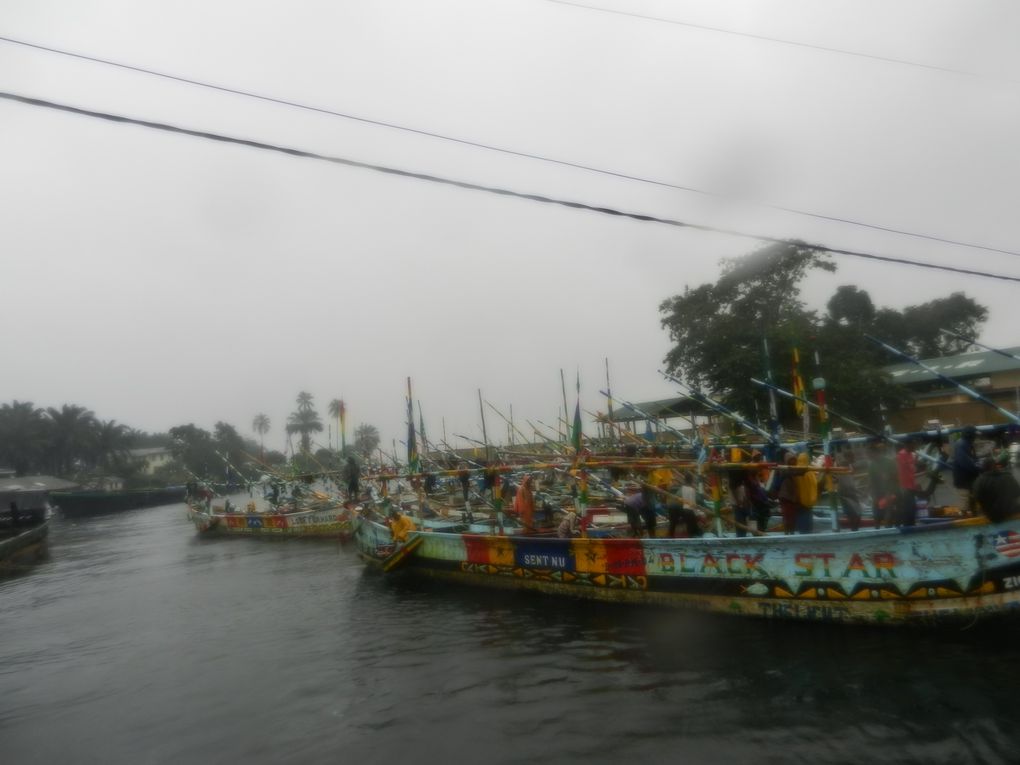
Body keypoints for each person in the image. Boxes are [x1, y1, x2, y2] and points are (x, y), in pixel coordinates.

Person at [972, 451, 1020, 523]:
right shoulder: (1008, 476)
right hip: (1011, 511)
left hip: (992, 515)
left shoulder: (979, 481)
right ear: (996, 465)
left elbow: (977, 497)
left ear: (983, 468)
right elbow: (1017, 493)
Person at [867, 442, 898, 528]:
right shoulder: (872, 465)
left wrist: (890, 493)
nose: (868, 455)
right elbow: (871, 481)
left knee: (888, 517)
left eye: (869, 453)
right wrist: (871, 494)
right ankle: (877, 535)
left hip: (888, 493)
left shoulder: (889, 462)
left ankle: (889, 532)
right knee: (876, 518)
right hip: (877, 494)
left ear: (875, 452)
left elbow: (895, 479)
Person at [952, 426, 981, 516]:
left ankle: (974, 513)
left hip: (969, 477)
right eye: (974, 436)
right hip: (963, 478)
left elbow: (973, 459)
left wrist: (979, 463)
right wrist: (978, 468)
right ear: (970, 436)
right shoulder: (961, 444)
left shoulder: (968, 444)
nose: (975, 438)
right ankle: (964, 517)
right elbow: (965, 463)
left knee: (972, 496)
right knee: (964, 498)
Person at [834, 453, 862, 531]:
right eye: (852, 457)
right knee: (852, 515)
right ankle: (854, 530)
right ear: (847, 457)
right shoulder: (841, 465)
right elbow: (842, 481)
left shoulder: (850, 466)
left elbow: (851, 481)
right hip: (845, 494)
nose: (854, 459)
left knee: (858, 513)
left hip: (852, 493)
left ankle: (855, 530)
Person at [896, 439, 921, 526]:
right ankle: (907, 525)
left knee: (913, 507)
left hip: (911, 485)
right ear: (908, 445)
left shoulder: (911, 454)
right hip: (904, 486)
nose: (915, 447)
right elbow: (907, 466)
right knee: (908, 507)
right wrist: (915, 461)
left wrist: (916, 460)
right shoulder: (901, 454)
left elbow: (913, 469)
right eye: (913, 445)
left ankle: (912, 524)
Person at [794, 452, 817, 534]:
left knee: (801, 520)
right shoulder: (810, 472)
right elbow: (814, 485)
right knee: (807, 520)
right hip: (809, 502)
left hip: (799, 501)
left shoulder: (796, 471)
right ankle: (808, 533)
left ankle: (803, 533)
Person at [777, 454, 800, 534]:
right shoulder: (785, 469)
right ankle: (787, 533)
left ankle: (791, 533)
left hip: (791, 498)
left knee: (792, 517)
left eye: (794, 460)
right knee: (787, 517)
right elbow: (791, 473)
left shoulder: (794, 470)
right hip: (786, 497)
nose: (794, 461)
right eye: (792, 460)